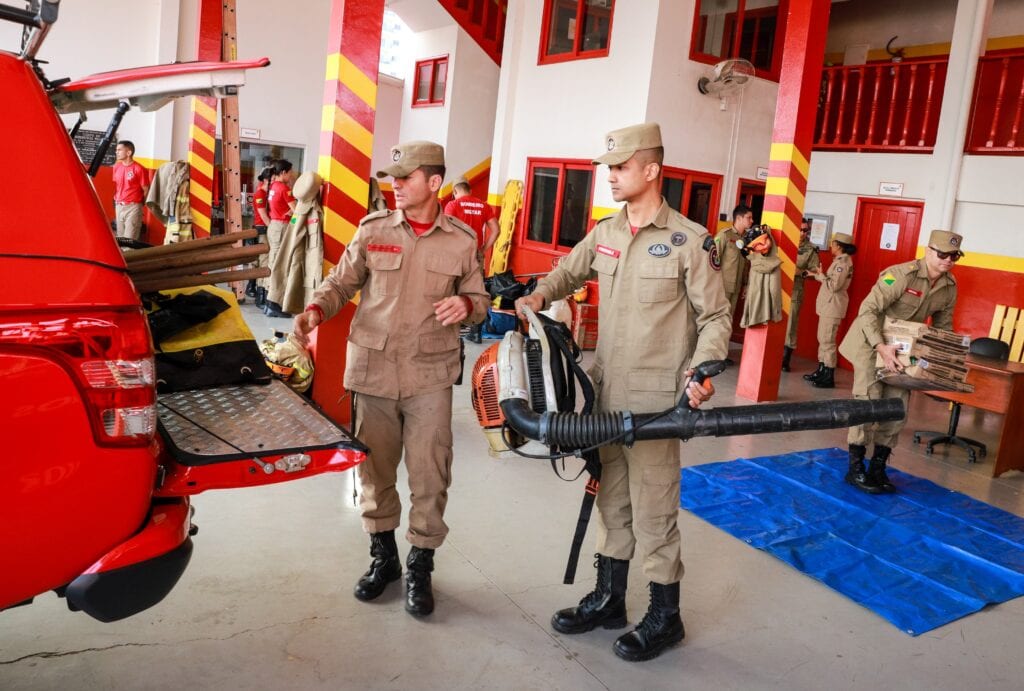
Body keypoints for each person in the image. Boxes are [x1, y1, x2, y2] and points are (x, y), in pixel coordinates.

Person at [515, 123, 731, 662]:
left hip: (658, 405)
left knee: (655, 511)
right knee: (612, 501)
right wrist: (538, 293)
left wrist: (702, 370)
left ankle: (665, 616)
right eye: (609, 167)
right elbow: (568, 271)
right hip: (604, 398)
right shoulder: (606, 233)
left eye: (620, 166)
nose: (611, 175)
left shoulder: (689, 240)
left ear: (652, 169)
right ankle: (611, 598)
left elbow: (717, 316)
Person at [292, 141, 488, 617]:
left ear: (434, 182)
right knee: (374, 473)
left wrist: (465, 305)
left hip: (430, 373)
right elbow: (341, 281)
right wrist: (315, 309)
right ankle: (385, 561)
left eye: (406, 177)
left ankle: (421, 566)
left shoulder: (461, 240)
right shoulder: (374, 229)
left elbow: (480, 299)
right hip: (374, 370)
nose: (395, 184)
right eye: (393, 177)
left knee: (429, 474)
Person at [838, 229, 961, 494]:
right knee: (867, 404)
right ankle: (855, 467)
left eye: (954, 256)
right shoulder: (900, 275)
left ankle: (878, 467)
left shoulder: (949, 287)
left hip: (904, 352)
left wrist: (941, 359)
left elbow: (943, 327)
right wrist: (880, 347)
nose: (949, 260)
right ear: (928, 251)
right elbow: (867, 310)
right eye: (943, 254)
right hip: (871, 344)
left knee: (895, 408)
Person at [443, 177, 499, 343]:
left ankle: (455, 326)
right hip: (476, 253)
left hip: (457, 253)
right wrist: (484, 249)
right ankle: (475, 331)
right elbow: (496, 230)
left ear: (455, 191)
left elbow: (447, 229)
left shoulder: (452, 205)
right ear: (470, 189)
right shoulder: (484, 205)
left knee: (452, 286)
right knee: (475, 289)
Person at [805, 233, 856, 389]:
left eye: (833, 244)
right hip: (828, 306)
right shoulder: (839, 261)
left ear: (839, 246)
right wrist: (817, 275)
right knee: (823, 339)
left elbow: (834, 286)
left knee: (828, 342)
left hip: (833, 307)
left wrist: (820, 276)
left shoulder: (843, 263)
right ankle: (822, 371)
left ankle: (828, 376)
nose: (831, 246)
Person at [782, 219, 821, 371]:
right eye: (801, 229)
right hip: (777, 288)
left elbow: (816, 274)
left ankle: (785, 359)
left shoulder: (811, 250)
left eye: (806, 231)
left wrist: (801, 272)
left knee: (791, 324)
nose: (803, 233)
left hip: (794, 291)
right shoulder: (783, 241)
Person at [264, 159, 297, 318]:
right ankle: (273, 303)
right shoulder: (284, 188)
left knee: (273, 261)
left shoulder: (273, 186)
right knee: (280, 264)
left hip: (274, 226)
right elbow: (296, 211)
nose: (291, 175)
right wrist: (295, 222)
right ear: (283, 172)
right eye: (290, 172)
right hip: (282, 227)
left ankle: (269, 301)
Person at [715, 204, 753, 323]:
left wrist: (746, 284)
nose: (752, 220)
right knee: (718, 318)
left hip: (736, 286)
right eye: (749, 217)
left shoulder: (746, 239)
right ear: (739, 218)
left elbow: (746, 263)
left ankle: (724, 342)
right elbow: (713, 261)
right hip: (722, 286)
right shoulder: (725, 235)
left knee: (728, 319)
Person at [739, 225, 783, 329]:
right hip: (767, 312)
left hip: (753, 307)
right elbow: (774, 290)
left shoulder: (753, 262)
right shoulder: (775, 264)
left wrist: (745, 285)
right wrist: (776, 312)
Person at [113, 140, 150, 241]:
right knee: (120, 240)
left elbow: (146, 189)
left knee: (129, 240)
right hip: (119, 206)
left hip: (133, 207)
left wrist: (139, 205)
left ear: (129, 153)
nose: (116, 152)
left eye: (119, 150)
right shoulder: (116, 167)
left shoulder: (139, 169)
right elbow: (117, 186)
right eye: (116, 150)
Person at [247, 166, 274, 301]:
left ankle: (252, 287)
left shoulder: (267, 194)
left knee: (258, 260)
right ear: (265, 180)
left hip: (262, 229)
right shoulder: (260, 194)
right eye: (272, 180)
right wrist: (273, 230)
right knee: (262, 261)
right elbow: (263, 216)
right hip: (262, 229)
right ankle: (258, 292)